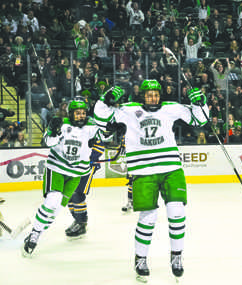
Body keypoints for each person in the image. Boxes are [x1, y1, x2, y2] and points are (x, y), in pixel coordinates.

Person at [93, 80, 209, 280]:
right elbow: (100, 118)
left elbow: (201, 120)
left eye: (156, 94)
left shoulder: (171, 108)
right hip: (143, 170)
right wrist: (105, 99)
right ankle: (140, 258)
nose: (153, 97)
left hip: (171, 168)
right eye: (149, 94)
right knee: (148, 217)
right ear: (142, 96)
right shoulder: (129, 110)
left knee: (176, 212)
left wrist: (201, 103)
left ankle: (177, 256)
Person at [22, 97, 103, 257]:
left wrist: (115, 133)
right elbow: (48, 142)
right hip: (57, 169)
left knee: (57, 208)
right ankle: (35, 235)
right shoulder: (62, 124)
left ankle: (37, 231)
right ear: (71, 113)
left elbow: (105, 135)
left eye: (83, 113)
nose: (81, 115)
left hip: (77, 174)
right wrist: (53, 130)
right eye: (77, 113)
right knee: (53, 200)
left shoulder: (91, 126)